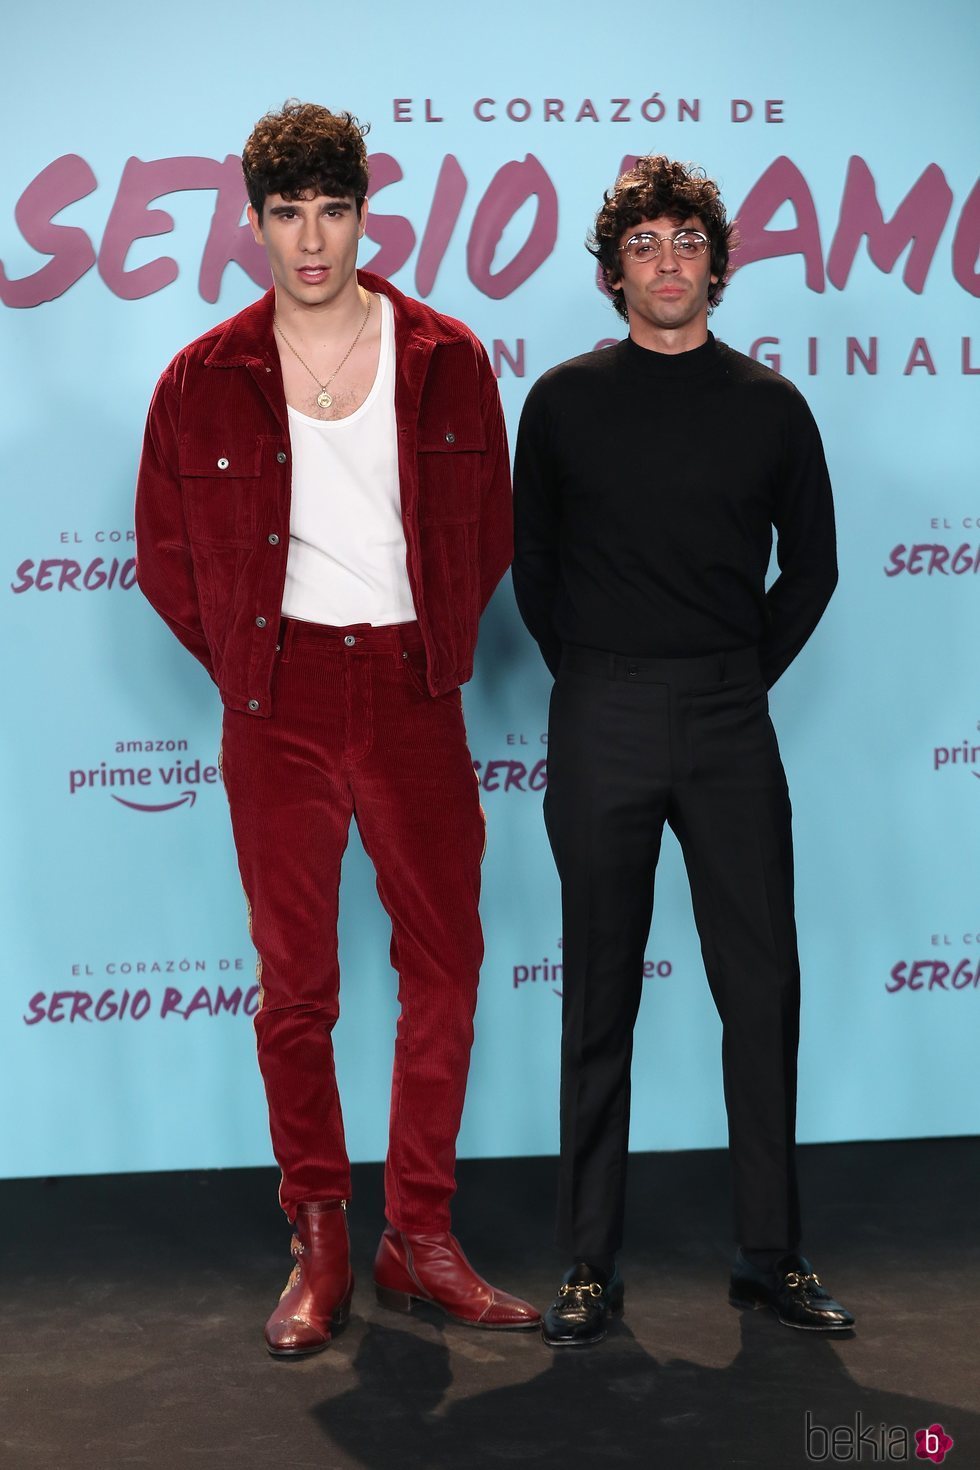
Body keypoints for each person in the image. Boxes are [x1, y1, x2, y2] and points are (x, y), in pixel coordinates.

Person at [135, 101, 539, 1356]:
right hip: (283, 702)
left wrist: (425, 654)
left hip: (413, 690)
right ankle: (317, 1236)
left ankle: (419, 1237)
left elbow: (486, 537)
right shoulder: (202, 377)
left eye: (333, 210)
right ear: (253, 223)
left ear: (366, 214)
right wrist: (258, 666)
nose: (312, 239)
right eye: (286, 213)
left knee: (447, 965)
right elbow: (165, 561)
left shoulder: (448, 355)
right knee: (295, 987)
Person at [512, 155, 854, 1347]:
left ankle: (771, 1253)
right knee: (597, 990)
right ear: (613, 272)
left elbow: (809, 569)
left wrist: (731, 674)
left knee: (759, 989)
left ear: (717, 261)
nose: (667, 260)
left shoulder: (770, 406)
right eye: (644, 242)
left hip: (726, 717)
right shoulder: (558, 399)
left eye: (686, 239)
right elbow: (534, 567)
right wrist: (601, 674)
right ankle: (586, 1263)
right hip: (598, 709)